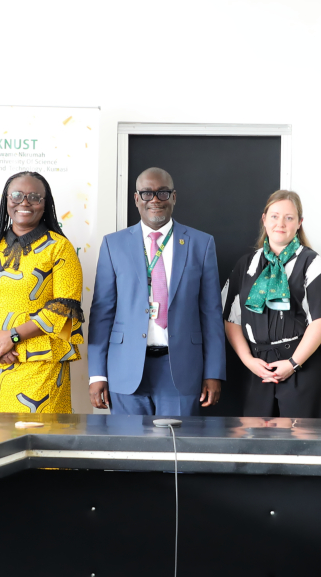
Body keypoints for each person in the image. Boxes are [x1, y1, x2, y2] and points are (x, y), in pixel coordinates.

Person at [88, 168, 225, 415]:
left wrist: (214, 372)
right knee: (130, 451)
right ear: (136, 199)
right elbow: (102, 313)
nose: (155, 200)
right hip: (125, 370)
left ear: (174, 197)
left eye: (162, 193)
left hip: (181, 370)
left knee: (176, 450)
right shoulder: (113, 244)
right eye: (147, 193)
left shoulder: (201, 243)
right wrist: (97, 374)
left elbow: (211, 313)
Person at [0, 172, 84, 412]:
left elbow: (62, 308)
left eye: (34, 197)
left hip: (42, 362)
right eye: (17, 195)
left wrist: (12, 338)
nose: (24, 202)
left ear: (45, 203)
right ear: (6, 200)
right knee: (2, 438)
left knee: (42, 437)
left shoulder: (60, 247)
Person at [221, 190, 321, 419]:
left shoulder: (311, 262)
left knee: (303, 447)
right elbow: (231, 319)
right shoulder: (246, 265)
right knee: (257, 446)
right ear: (264, 219)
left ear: (299, 223)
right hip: (257, 369)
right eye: (275, 216)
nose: (281, 223)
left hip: (302, 367)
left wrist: (293, 363)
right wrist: (248, 361)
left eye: (289, 218)